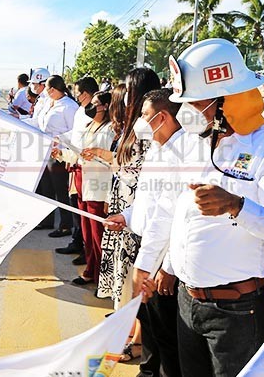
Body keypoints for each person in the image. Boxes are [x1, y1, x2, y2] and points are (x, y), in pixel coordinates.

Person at [159, 39, 264, 376]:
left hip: (237, 313)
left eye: (196, 102)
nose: (188, 111)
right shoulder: (197, 141)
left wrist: (237, 206)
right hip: (187, 301)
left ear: (227, 100)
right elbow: (185, 212)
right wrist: (169, 264)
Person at [104, 88, 202, 375]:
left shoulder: (183, 153)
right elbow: (148, 201)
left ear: (163, 117)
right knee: (149, 323)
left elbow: (170, 217)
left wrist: (157, 266)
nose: (140, 121)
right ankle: (148, 371)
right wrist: (126, 216)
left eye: (145, 115)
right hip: (148, 245)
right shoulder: (159, 148)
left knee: (166, 333)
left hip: (163, 254)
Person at [90, 68, 161, 362]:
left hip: (139, 213)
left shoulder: (150, 128)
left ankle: (139, 340)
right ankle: (128, 328)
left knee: (139, 276)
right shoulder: (133, 127)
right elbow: (124, 167)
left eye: (129, 90)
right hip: (126, 209)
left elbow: (145, 174)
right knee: (127, 275)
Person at [53, 90, 114, 285]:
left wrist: (107, 199)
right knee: (88, 233)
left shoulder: (110, 129)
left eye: (95, 103)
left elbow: (110, 161)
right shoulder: (89, 126)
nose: (90, 106)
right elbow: (81, 154)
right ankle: (91, 269)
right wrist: (62, 155)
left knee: (98, 235)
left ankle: (102, 277)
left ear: (105, 107)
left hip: (99, 187)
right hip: (84, 185)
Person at [26, 75, 78, 233]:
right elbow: (37, 122)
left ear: (54, 89)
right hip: (45, 151)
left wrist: (61, 141)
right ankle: (47, 221)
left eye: (47, 89)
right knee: (47, 189)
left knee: (61, 191)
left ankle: (66, 225)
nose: (45, 92)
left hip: (60, 154)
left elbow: (75, 131)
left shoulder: (69, 106)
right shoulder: (49, 103)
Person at [49, 77, 99, 240]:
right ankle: (79, 241)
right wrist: (60, 139)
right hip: (75, 162)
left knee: (89, 211)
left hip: (90, 168)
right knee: (77, 204)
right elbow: (75, 134)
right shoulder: (80, 110)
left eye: (77, 94)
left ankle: (85, 247)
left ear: (85, 94)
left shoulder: (96, 113)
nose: (75, 97)